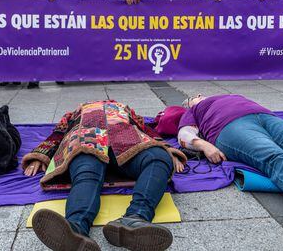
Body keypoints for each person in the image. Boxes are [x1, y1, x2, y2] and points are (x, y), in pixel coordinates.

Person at [23, 100, 186, 251]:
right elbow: (57, 135)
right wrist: (40, 155)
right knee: (87, 171)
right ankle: (75, 228)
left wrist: (168, 150)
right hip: (86, 140)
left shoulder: (125, 109)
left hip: (128, 141)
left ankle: (135, 219)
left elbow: (146, 130)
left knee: (159, 157)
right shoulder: (74, 113)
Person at [178, 94, 283, 236]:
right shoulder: (194, 111)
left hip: (268, 118)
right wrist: (205, 146)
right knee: (277, 158)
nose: (199, 96)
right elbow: (184, 135)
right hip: (228, 127)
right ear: (189, 104)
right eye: (193, 97)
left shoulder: (229, 96)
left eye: (199, 94)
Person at [27, 0, 72, 89]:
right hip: (39, 19)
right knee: (38, 49)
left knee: (58, 47)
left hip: (57, 19)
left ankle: (60, 75)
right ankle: (35, 77)